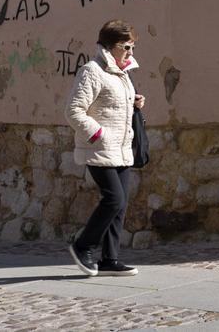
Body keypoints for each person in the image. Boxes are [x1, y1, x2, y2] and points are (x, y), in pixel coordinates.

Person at [65, 19, 146, 276]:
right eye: (126, 47)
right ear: (109, 47)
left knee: (121, 205)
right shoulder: (92, 71)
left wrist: (135, 103)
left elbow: (112, 105)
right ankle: (82, 246)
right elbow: (73, 111)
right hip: (99, 148)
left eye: (132, 47)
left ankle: (110, 259)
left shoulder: (122, 74)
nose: (130, 53)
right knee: (113, 199)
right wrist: (97, 134)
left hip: (121, 149)